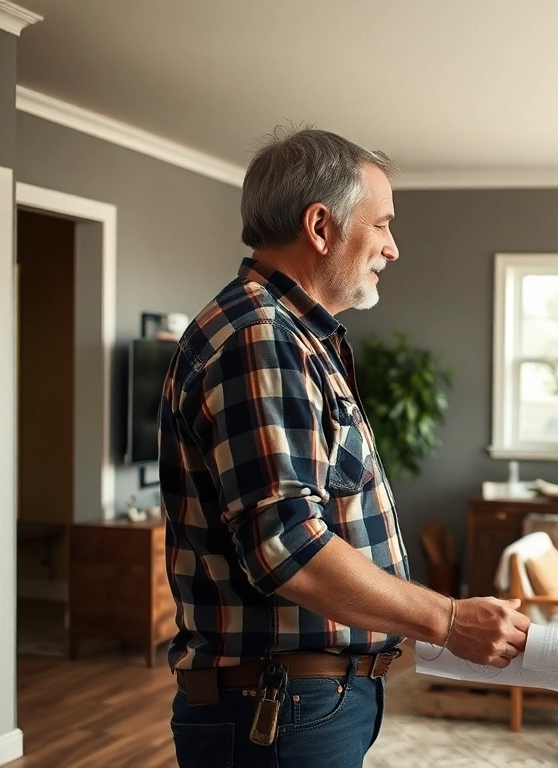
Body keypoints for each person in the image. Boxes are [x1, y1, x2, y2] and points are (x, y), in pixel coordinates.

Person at [160, 127, 529, 768]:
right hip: (280, 708)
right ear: (321, 226)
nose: (392, 246)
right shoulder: (263, 340)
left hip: (297, 701)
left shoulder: (291, 337)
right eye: (382, 224)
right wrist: (448, 619)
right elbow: (288, 547)